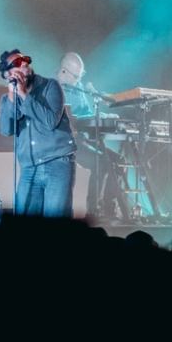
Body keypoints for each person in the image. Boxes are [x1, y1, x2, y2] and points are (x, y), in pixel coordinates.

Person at [0, 48, 75, 217]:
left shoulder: (50, 86)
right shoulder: (8, 99)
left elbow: (50, 121)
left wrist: (24, 94)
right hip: (29, 167)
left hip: (57, 162)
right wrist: (12, 96)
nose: (24, 63)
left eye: (26, 59)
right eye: (17, 62)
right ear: (7, 74)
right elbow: (5, 129)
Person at [58, 52, 123, 220]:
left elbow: (88, 114)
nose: (78, 80)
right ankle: (93, 212)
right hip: (68, 144)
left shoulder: (78, 87)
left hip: (85, 139)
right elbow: (70, 118)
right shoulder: (55, 88)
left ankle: (109, 208)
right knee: (101, 162)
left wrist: (105, 117)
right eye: (75, 76)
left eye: (80, 76)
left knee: (118, 161)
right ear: (63, 71)